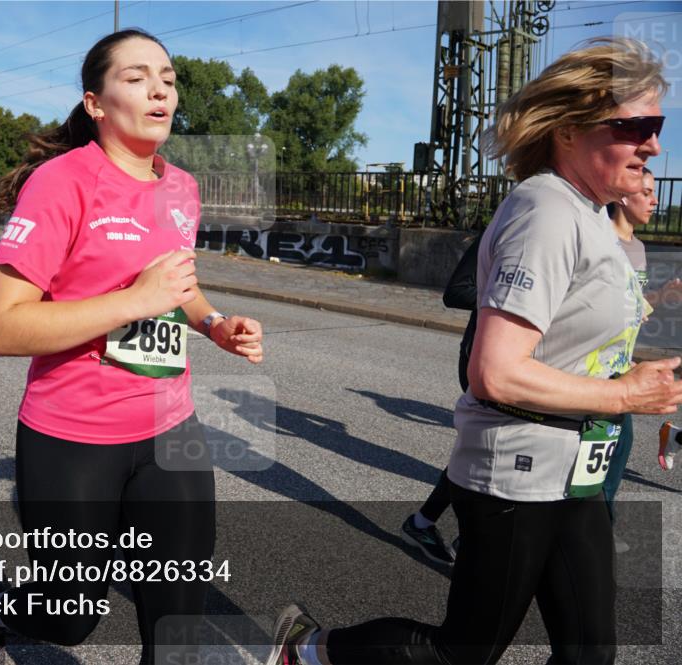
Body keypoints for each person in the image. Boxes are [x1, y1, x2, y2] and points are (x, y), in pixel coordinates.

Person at [268, 37, 682, 665]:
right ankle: (308, 650)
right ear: (569, 129)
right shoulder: (546, 209)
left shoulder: (595, 217)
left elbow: (579, 349)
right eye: (637, 126)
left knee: (591, 654)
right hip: (518, 468)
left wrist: (644, 383)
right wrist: (625, 394)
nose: (654, 144)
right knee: (460, 653)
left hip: (578, 468)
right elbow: (495, 371)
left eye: (657, 127)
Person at [0, 29, 264, 665]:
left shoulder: (181, 186)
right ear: (96, 103)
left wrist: (214, 322)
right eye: (135, 77)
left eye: (168, 77)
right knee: (72, 618)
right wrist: (132, 301)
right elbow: (0, 328)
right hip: (72, 437)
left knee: (178, 619)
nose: (159, 88)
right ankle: (1, 613)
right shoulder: (61, 183)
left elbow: (176, 284)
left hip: (170, 429)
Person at [603, 167, 682, 548]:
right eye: (646, 191)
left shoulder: (638, 248)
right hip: (594, 368)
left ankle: (596, 528)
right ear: (622, 195)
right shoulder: (599, 241)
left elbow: (631, 307)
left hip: (620, 364)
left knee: (616, 451)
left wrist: (661, 298)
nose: (655, 200)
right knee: (610, 449)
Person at [400, 233, 482, 566]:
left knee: (486, 447)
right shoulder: (503, 230)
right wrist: (517, 298)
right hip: (484, 357)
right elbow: (457, 291)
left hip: (535, 361)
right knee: (484, 445)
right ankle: (464, 534)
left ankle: (427, 524)